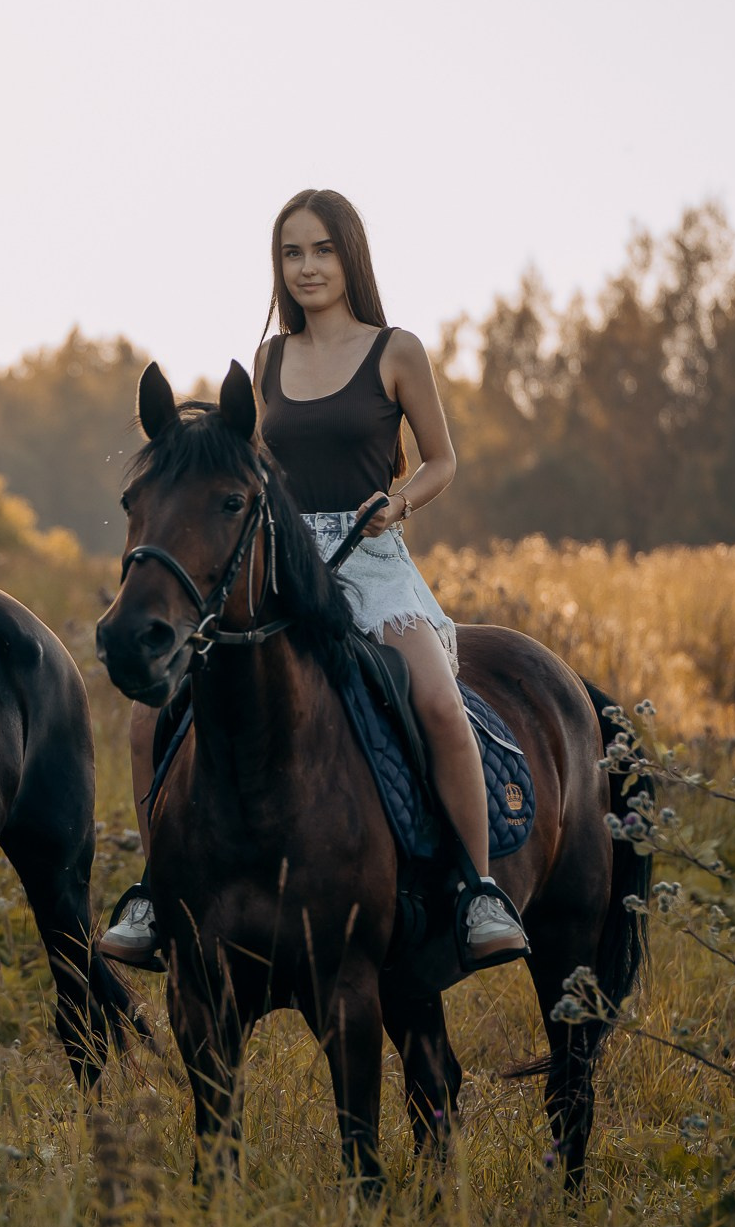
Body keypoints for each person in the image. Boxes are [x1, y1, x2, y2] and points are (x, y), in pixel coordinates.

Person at [99, 188, 529, 968]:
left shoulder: (396, 350)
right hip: (285, 563)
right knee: (146, 719)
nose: (307, 267)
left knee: (434, 698)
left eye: (321, 250)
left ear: (350, 255)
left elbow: (444, 460)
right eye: (292, 253)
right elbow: (252, 471)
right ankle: (159, 891)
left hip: (371, 558)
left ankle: (477, 890)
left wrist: (396, 504)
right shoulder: (269, 360)